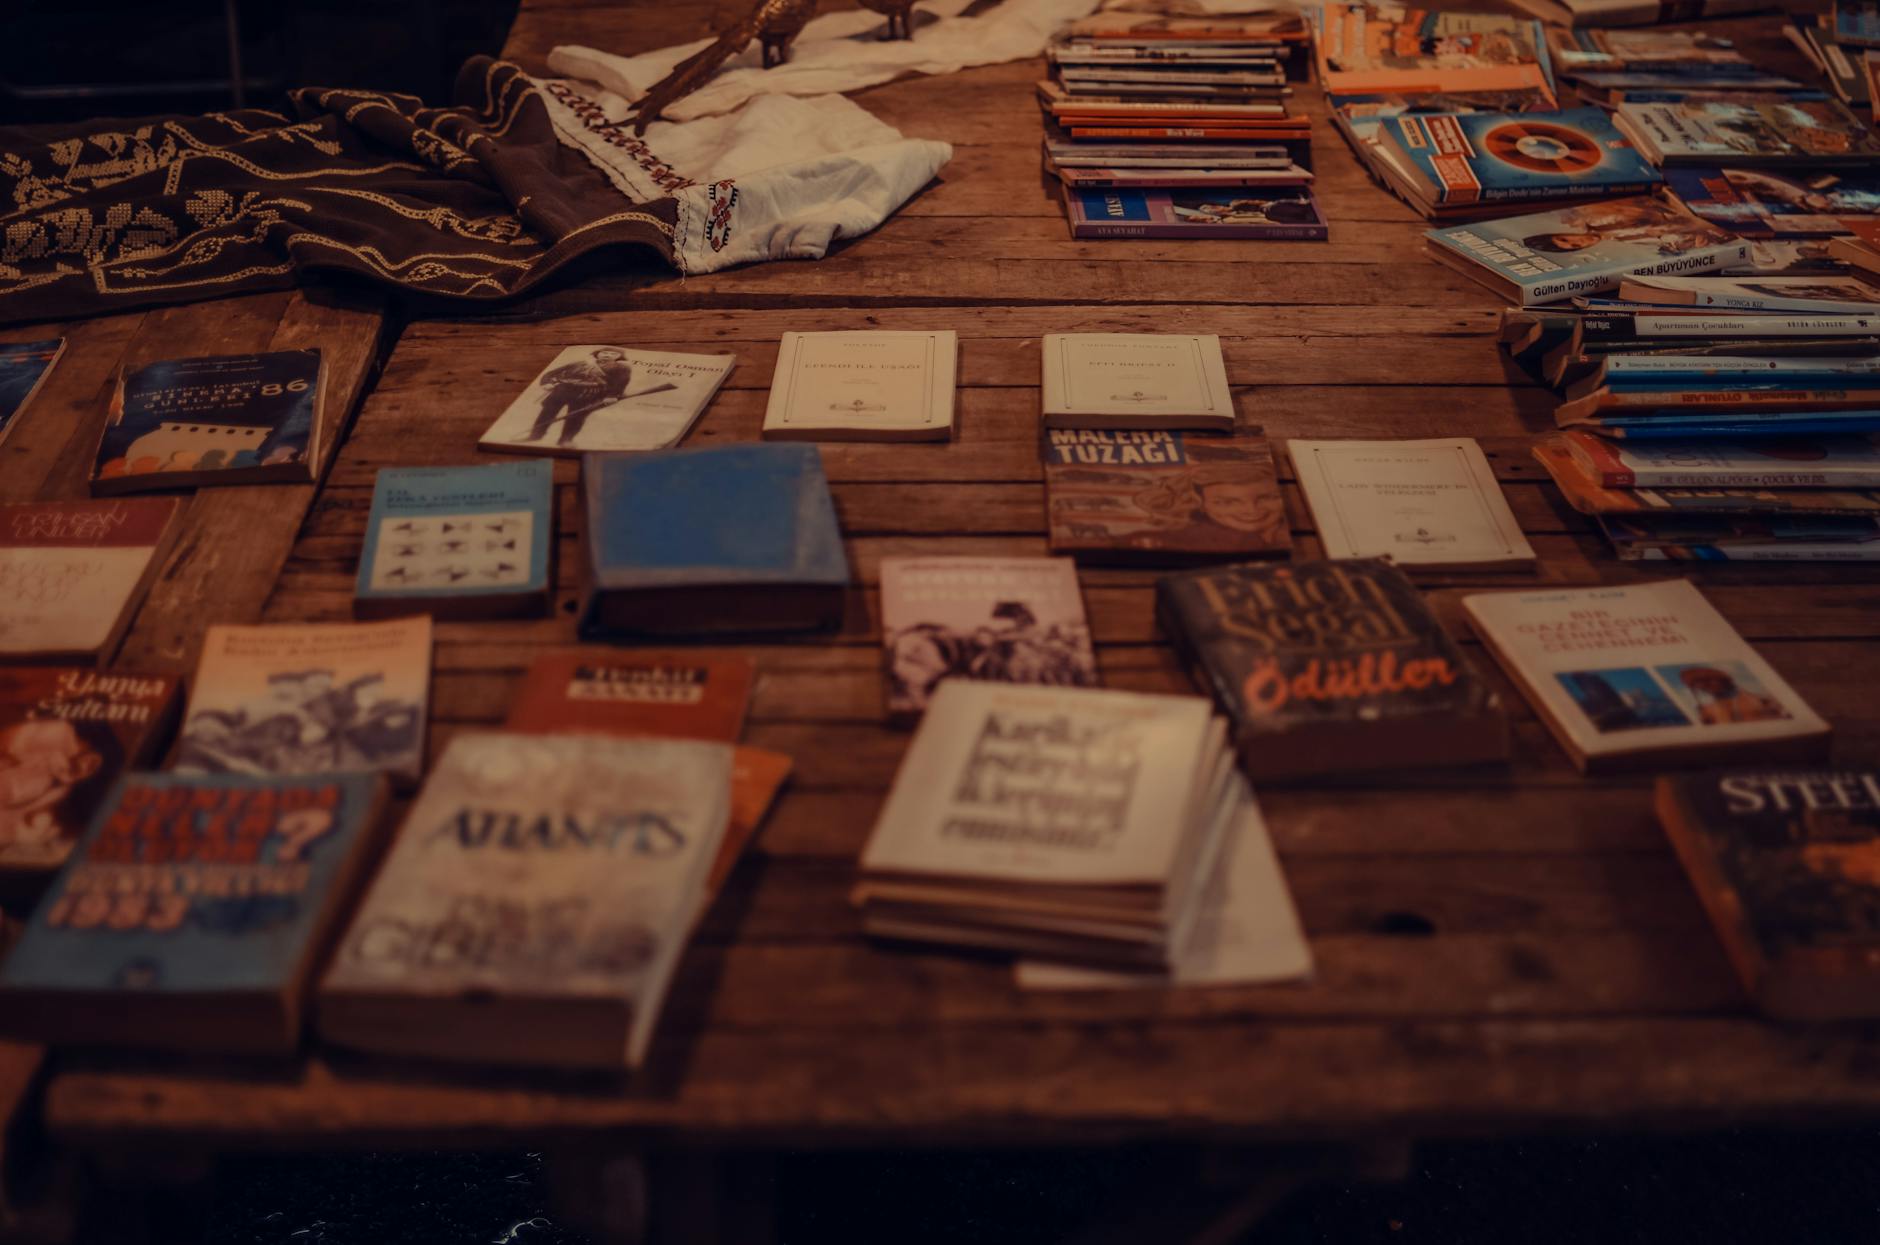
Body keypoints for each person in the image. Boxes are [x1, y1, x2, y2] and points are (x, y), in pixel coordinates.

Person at [0, 717, 104, 859]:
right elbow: (18, 755)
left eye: (91, 768)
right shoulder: (56, 752)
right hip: (14, 780)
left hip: (18, 799)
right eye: (89, 760)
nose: (86, 765)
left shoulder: (63, 788)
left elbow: (35, 806)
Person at [1521, 199, 1725, 256]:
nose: (1578, 241)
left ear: (1559, 232)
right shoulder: (1627, 244)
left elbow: (1647, 208)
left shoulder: (1597, 219)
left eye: (1565, 239)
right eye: (1574, 247)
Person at [523, 347, 635, 447]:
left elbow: (620, 383)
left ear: (620, 357)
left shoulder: (621, 368)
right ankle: (535, 435)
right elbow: (551, 373)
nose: (607, 355)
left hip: (588, 394)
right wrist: (547, 382)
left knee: (576, 417)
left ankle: (565, 440)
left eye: (612, 354)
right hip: (561, 391)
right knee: (547, 413)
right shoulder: (580, 363)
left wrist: (612, 396)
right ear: (597, 354)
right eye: (604, 352)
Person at [1679, 666, 1787, 725]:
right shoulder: (1707, 710)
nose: (1703, 686)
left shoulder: (1764, 699)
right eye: (1696, 684)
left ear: (1723, 680)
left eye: (1706, 681)